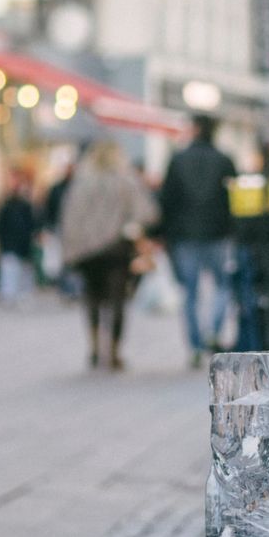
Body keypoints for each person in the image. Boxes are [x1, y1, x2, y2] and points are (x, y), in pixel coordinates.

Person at [61, 140, 157, 371]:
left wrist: (71, 250)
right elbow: (147, 213)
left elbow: (69, 219)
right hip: (116, 249)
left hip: (86, 252)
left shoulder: (81, 184)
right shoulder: (125, 180)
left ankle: (94, 347)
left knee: (92, 298)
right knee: (117, 301)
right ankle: (113, 352)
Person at [159, 114, 238, 368]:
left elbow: (167, 200)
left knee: (190, 292)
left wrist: (164, 233)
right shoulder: (224, 161)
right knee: (222, 285)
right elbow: (233, 199)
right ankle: (213, 330)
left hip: (185, 236)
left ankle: (194, 345)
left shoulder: (178, 160)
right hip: (218, 233)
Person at [0, 176, 39, 304]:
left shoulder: (25, 206)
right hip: (10, 241)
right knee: (9, 267)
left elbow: (31, 224)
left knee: (23, 268)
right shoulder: (7, 206)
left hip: (22, 242)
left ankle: (21, 293)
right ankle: (8, 293)